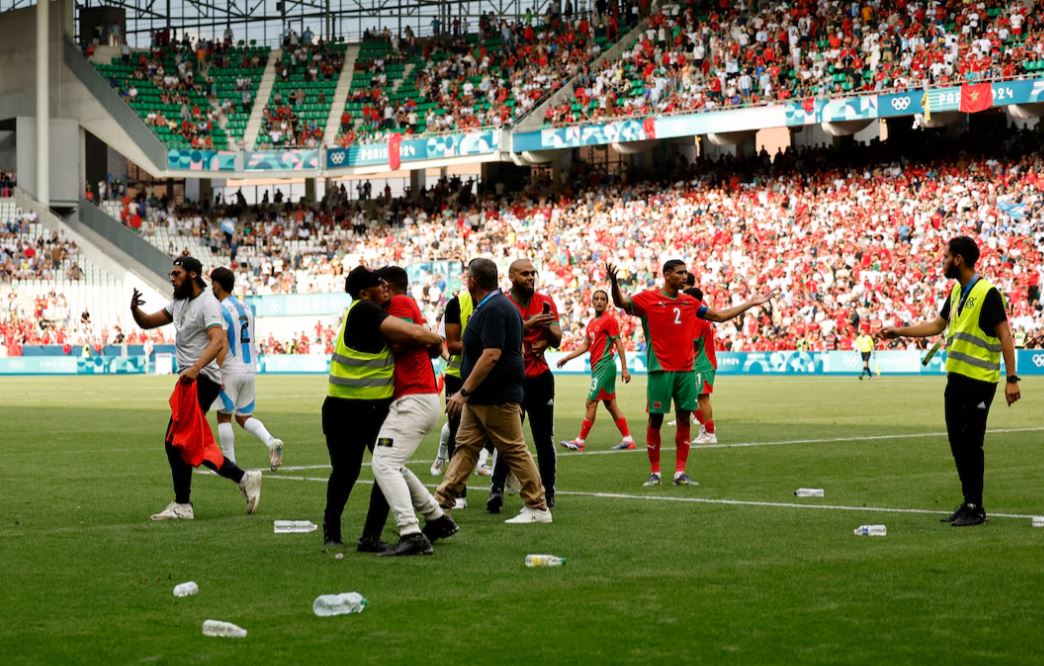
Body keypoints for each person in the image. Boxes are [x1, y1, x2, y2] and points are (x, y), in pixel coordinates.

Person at [877, 236, 1021, 527]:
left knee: (971, 444)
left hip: (979, 381)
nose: (942, 261)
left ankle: (975, 507)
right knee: (957, 443)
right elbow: (938, 325)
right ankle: (968, 501)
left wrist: (1012, 378)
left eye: (945, 257)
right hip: (956, 381)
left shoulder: (987, 292)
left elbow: (1005, 334)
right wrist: (899, 331)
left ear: (959, 259)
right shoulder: (957, 292)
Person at [607, 260, 771, 487]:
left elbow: (720, 316)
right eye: (680, 273)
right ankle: (655, 473)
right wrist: (614, 283)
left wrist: (750, 303)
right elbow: (621, 302)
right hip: (659, 371)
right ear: (667, 275)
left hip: (686, 371)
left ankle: (679, 473)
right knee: (655, 420)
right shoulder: (648, 299)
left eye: (686, 273)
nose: (685, 276)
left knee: (684, 420)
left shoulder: (690, 302)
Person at [322, 266, 443, 551]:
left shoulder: (372, 310)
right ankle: (334, 531)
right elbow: (411, 332)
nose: (384, 286)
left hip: (373, 407)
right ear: (365, 293)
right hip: (346, 409)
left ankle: (369, 536)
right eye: (378, 284)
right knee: (348, 471)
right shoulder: (365, 310)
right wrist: (437, 341)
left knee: (384, 467)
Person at [130, 256, 261, 520]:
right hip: (190, 379)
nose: (172, 278)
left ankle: (184, 504)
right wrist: (135, 309)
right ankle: (243, 479)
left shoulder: (209, 303)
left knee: (175, 442)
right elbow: (147, 322)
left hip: (201, 380)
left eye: (176, 273)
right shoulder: (179, 303)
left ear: (192, 275)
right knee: (184, 444)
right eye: (171, 273)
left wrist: (196, 367)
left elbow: (219, 340)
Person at [435, 258, 552, 524]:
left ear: (472, 280)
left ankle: (538, 506)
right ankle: (441, 504)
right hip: (483, 396)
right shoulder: (495, 306)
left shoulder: (494, 309)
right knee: (465, 448)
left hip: (496, 395)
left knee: (513, 449)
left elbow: (491, 354)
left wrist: (463, 391)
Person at [369, 266, 459, 556]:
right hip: (416, 396)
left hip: (414, 397)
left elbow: (401, 340)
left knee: (383, 464)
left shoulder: (400, 303)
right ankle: (437, 519)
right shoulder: (404, 305)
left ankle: (411, 532)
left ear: (385, 285)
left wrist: (424, 337)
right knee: (393, 463)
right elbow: (428, 343)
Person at [488, 259, 561, 513]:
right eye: (524, 273)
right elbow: (503, 337)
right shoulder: (502, 303)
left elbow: (558, 338)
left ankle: (549, 491)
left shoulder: (546, 301)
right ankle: (496, 490)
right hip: (510, 379)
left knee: (544, 438)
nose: (530, 277)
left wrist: (548, 336)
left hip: (540, 377)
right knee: (508, 438)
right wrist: (531, 324)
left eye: (533, 273)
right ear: (511, 276)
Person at [209, 267, 285, 470]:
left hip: (230, 369)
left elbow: (223, 343)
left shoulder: (221, 309)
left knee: (223, 416)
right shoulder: (247, 308)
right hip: (250, 369)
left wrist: (216, 372)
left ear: (217, 285)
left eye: (212, 284)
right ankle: (271, 441)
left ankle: (230, 464)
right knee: (243, 417)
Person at [557, 289, 635, 451]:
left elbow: (619, 344)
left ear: (607, 303)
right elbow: (586, 345)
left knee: (591, 402)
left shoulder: (610, 320)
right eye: (596, 299)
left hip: (605, 366)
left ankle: (580, 441)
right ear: (592, 302)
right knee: (610, 404)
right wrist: (567, 358)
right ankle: (628, 439)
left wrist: (625, 368)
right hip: (597, 366)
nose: (599, 301)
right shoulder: (592, 323)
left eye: (602, 299)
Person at [684, 286, 719, 445]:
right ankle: (707, 428)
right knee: (690, 398)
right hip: (700, 363)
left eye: (686, 297)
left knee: (702, 398)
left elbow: (692, 343)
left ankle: (710, 433)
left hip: (702, 363)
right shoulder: (700, 317)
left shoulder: (697, 319)